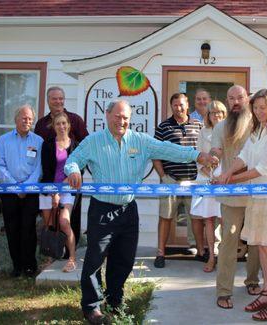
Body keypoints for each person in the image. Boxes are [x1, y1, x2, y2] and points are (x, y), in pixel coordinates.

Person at [64, 99, 217, 324]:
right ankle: (92, 307)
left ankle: (115, 300)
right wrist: (73, 170)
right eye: (117, 116)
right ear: (107, 116)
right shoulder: (93, 141)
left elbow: (168, 149)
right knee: (95, 259)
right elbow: (73, 159)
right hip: (102, 210)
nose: (122, 121)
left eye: (125, 117)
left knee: (124, 259)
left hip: (128, 210)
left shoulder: (140, 141)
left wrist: (197, 156)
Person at [217, 89, 267, 321]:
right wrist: (228, 172)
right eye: (256, 108)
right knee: (261, 246)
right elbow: (245, 155)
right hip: (257, 196)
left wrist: (230, 180)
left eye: (263, 107)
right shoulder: (259, 128)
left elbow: (262, 168)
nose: (259, 111)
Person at [210, 85, 261, 309]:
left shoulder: (259, 125)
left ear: (247, 99)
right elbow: (216, 153)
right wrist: (211, 162)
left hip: (257, 193)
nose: (235, 102)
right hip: (230, 195)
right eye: (231, 98)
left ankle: (252, 281)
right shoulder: (221, 127)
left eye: (239, 97)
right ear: (227, 102)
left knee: (257, 241)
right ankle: (223, 291)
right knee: (228, 242)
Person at [35, 86, 89, 253]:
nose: (58, 101)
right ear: (48, 100)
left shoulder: (75, 120)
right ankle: (54, 253)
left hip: (71, 182)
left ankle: (69, 256)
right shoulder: (41, 124)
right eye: (54, 99)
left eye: (60, 98)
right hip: (48, 182)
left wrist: (77, 173)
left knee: (69, 221)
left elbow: (85, 148)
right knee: (50, 223)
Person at [154, 93, 204, 269]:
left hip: (193, 182)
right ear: (171, 106)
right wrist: (163, 177)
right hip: (171, 181)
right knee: (165, 217)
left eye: (181, 105)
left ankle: (201, 251)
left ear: (187, 105)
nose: (179, 108)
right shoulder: (163, 127)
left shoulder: (199, 125)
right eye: (175, 105)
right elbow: (155, 155)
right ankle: (160, 253)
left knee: (196, 218)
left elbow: (204, 151)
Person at [0, 105, 43, 277]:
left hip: (30, 193)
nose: (27, 121)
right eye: (24, 118)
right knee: (12, 228)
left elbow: (39, 168)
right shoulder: (3, 140)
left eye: (30, 119)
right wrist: (15, 186)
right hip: (9, 192)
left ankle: (30, 265)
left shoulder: (38, 141)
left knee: (28, 229)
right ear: (15, 119)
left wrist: (26, 187)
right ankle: (17, 266)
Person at [40, 112, 79, 272]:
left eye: (64, 123)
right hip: (48, 189)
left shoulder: (75, 146)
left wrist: (58, 191)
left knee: (64, 222)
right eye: (58, 124)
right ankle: (50, 257)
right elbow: (46, 170)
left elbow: (76, 171)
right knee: (49, 224)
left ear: (69, 125)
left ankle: (71, 258)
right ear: (53, 126)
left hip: (67, 188)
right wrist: (52, 193)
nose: (61, 126)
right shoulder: (48, 145)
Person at [190, 100, 226, 273]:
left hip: (225, 178)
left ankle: (225, 258)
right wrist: (205, 170)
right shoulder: (203, 132)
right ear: (208, 116)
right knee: (208, 219)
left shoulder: (230, 131)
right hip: (205, 177)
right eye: (213, 112)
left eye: (219, 112)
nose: (216, 115)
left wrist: (220, 174)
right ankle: (211, 256)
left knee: (226, 219)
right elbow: (198, 155)